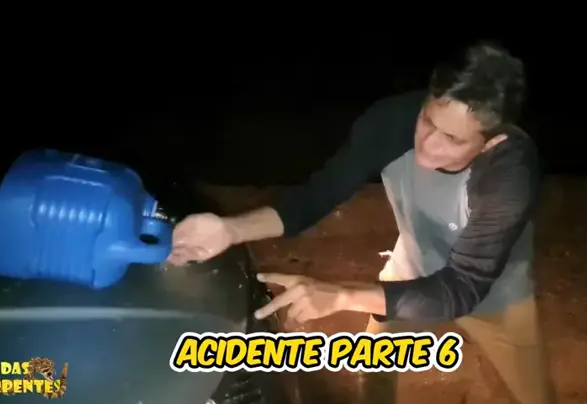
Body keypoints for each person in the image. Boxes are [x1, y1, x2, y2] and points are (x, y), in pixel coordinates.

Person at [168, 41, 555, 404]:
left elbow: (462, 288)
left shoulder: (511, 173)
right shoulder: (389, 123)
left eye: (453, 139)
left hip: (493, 295)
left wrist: (341, 295)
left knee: (533, 394)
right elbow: (314, 197)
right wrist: (230, 229)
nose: (428, 143)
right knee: (374, 371)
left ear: (492, 142)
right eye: (428, 120)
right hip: (411, 269)